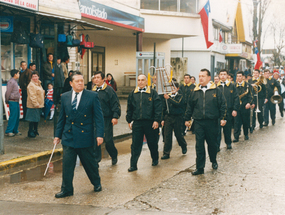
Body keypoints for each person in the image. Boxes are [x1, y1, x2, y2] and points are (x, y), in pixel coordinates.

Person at [53, 71, 104, 198]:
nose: (80, 83)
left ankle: (96, 182)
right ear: (71, 83)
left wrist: (99, 134)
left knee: (89, 163)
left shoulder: (92, 96)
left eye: (82, 80)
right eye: (77, 81)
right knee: (67, 165)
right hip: (69, 136)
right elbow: (61, 119)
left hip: (85, 136)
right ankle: (66, 189)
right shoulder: (65, 96)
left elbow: (99, 117)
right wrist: (57, 135)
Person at [184, 68, 226, 175]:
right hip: (198, 122)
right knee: (199, 145)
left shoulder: (216, 90)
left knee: (212, 144)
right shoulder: (195, 91)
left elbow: (222, 105)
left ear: (209, 78)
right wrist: (187, 119)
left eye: (203, 76)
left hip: (212, 122)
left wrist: (223, 118)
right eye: (199, 76)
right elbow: (190, 106)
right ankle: (200, 167)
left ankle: (213, 160)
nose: (201, 78)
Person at [126, 74, 162, 172]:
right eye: (139, 80)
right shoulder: (133, 93)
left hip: (150, 123)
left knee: (152, 143)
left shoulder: (153, 93)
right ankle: (133, 165)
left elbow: (158, 108)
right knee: (135, 145)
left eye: (142, 80)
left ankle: (155, 159)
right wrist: (129, 120)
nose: (140, 82)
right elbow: (129, 108)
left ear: (146, 82)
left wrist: (156, 120)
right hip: (137, 123)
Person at [92, 71, 121, 165]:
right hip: (95, 119)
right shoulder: (92, 91)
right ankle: (96, 160)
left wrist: (115, 116)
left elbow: (115, 104)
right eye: (94, 77)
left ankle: (113, 155)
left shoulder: (109, 90)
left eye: (98, 77)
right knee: (96, 139)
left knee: (108, 140)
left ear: (103, 79)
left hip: (107, 119)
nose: (96, 79)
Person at [161, 81, 187, 159]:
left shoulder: (180, 96)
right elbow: (163, 108)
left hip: (178, 117)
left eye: (174, 88)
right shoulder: (166, 97)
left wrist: (169, 98)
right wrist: (162, 119)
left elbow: (178, 103)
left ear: (177, 89)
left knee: (178, 134)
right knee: (167, 135)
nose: (172, 90)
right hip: (168, 117)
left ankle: (183, 145)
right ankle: (166, 153)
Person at [217, 69, 239, 150]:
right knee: (217, 130)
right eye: (221, 74)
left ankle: (228, 143)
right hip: (218, 112)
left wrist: (235, 109)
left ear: (227, 76)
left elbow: (236, 98)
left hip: (228, 111)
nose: (223, 76)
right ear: (219, 76)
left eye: (224, 74)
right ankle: (217, 145)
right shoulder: (216, 86)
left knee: (227, 129)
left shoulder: (232, 86)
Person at [233, 71, 253, 142]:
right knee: (236, 122)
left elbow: (251, 96)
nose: (239, 78)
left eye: (240, 76)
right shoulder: (234, 85)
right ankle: (236, 137)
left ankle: (246, 134)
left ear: (243, 77)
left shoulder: (248, 85)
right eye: (237, 76)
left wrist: (249, 103)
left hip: (245, 107)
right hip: (237, 107)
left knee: (245, 121)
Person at [26, 72, 45, 138]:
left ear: (38, 77)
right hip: (33, 105)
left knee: (36, 119)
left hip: (39, 104)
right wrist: (35, 104)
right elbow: (32, 95)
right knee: (32, 119)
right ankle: (30, 132)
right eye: (33, 76)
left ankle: (35, 130)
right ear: (31, 77)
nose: (35, 78)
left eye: (36, 76)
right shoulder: (31, 85)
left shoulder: (38, 83)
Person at [5, 69, 21, 137]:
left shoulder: (15, 81)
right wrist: (7, 99)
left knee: (17, 116)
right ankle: (9, 131)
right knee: (13, 116)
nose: (19, 75)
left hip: (16, 100)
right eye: (18, 73)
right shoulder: (11, 82)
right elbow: (8, 91)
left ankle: (15, 130)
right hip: (12, 100)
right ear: (15, 74)